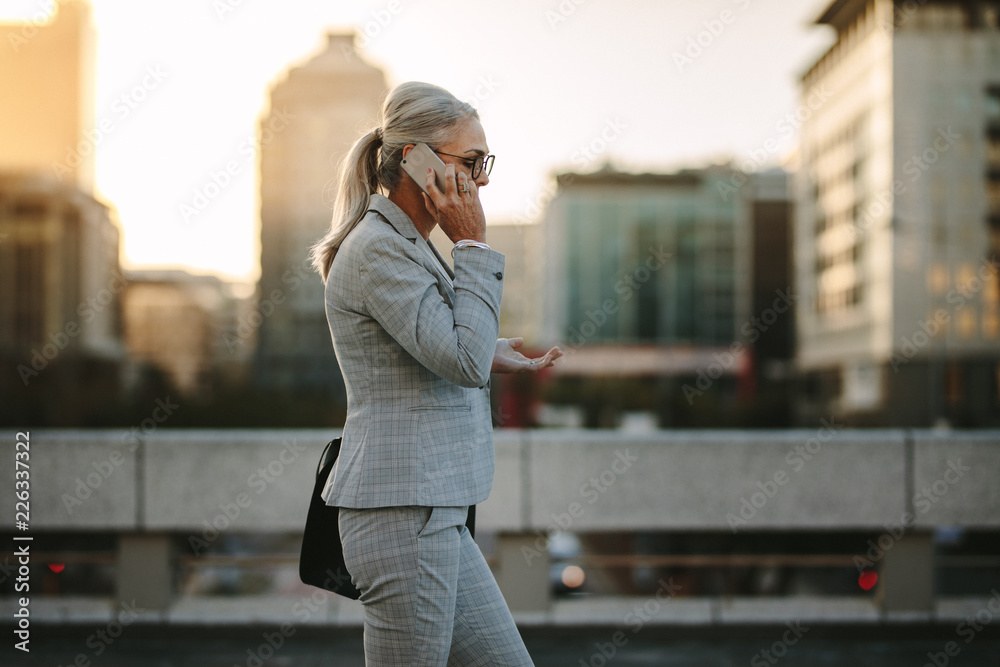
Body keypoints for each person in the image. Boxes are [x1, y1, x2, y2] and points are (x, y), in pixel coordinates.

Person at [310, 81, 562, 665]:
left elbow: (436, 343)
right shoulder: (380, 248)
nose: (483, 179)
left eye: (484, 162)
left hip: (433, 514)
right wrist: (472, 243)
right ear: (415, 161)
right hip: (403, 516)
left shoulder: (409, 244)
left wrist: (490, 345)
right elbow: (462, 362)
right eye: (471, 162)